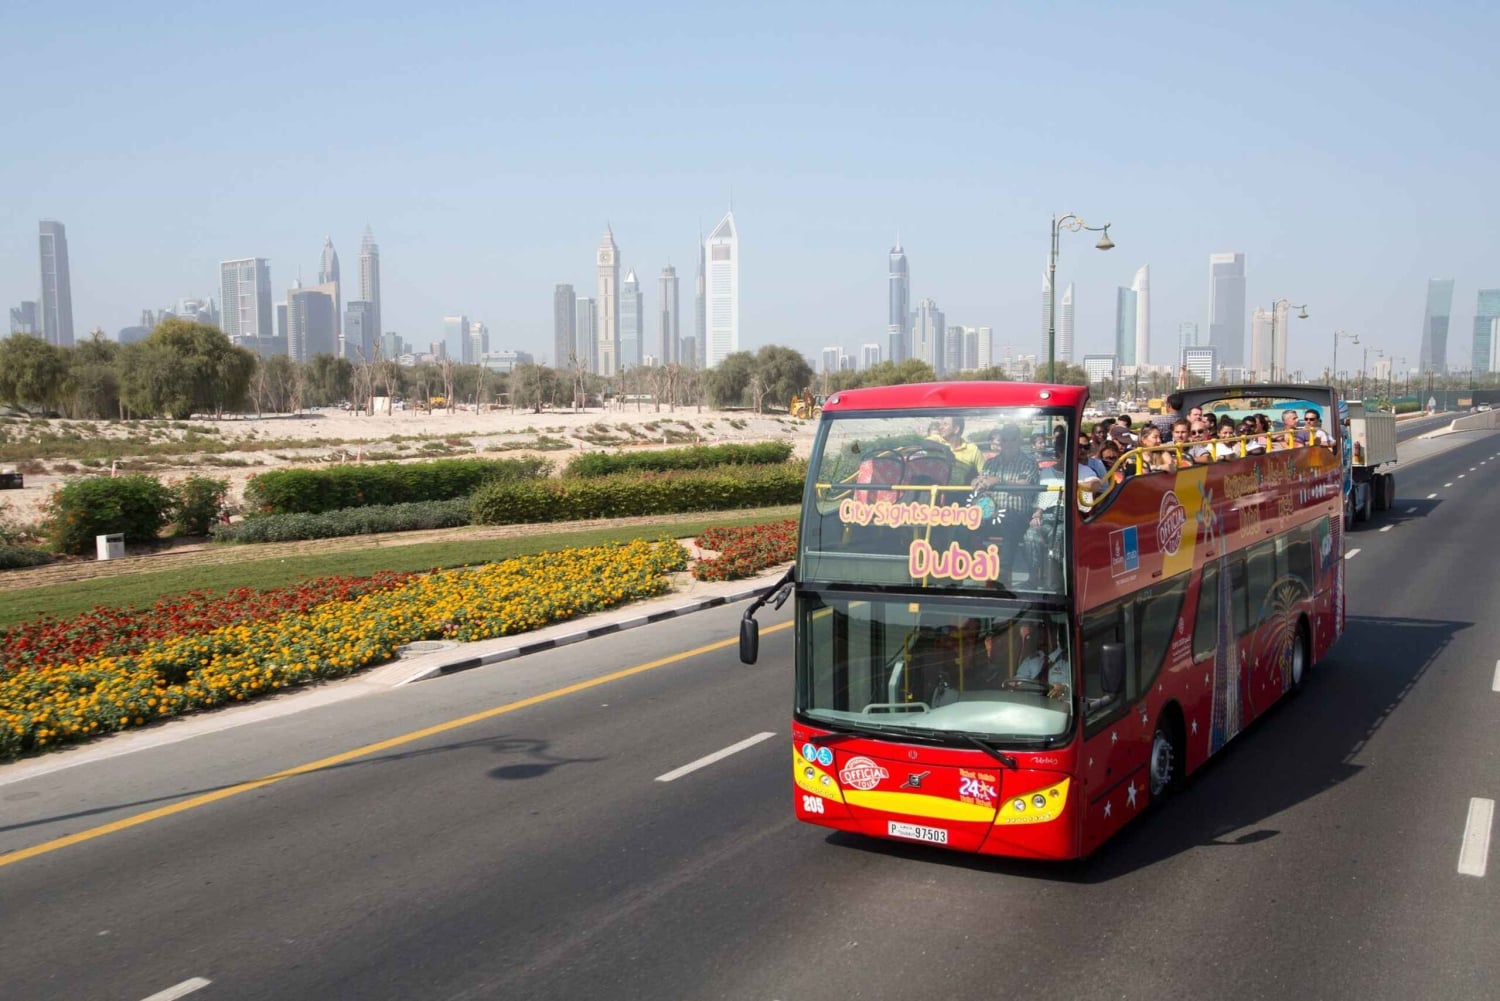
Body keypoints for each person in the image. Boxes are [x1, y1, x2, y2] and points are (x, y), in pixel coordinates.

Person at [973, 425, 1041, 584]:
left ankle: (1003, 573)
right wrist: (976, 483)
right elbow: (982, 483)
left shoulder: (1029, 462)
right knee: (965, 525)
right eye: (1004, 440)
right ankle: (961, 571)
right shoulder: (991, 463)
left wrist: (999, 481)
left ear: (1020, 441)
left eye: (1012, 439)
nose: (1008, 443)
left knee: (1009, 521)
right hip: (991, 513)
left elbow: (1025, 486)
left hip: (1018, 514)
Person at [1003, 620, 1071, 700]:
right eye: (1040, 635)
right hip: (1032, 703)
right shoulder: (1031, 659)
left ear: (1055, 635)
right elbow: (1020, 678)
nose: (1042, 639)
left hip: (1058, 703)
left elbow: (1075, 687)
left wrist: (1064, 688)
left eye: (1045, 634)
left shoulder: (1068, 659)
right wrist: (1013, 683)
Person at [926, 415, 984, 483]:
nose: (940, 427)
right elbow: (925, 443)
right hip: (933, 487)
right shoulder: (937, 439)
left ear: (956, 429)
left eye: (945, 424)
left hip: (958, 489)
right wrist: (944, 449)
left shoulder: (973, 450)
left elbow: (984, 474)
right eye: (941, 425)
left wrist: (977, 480)